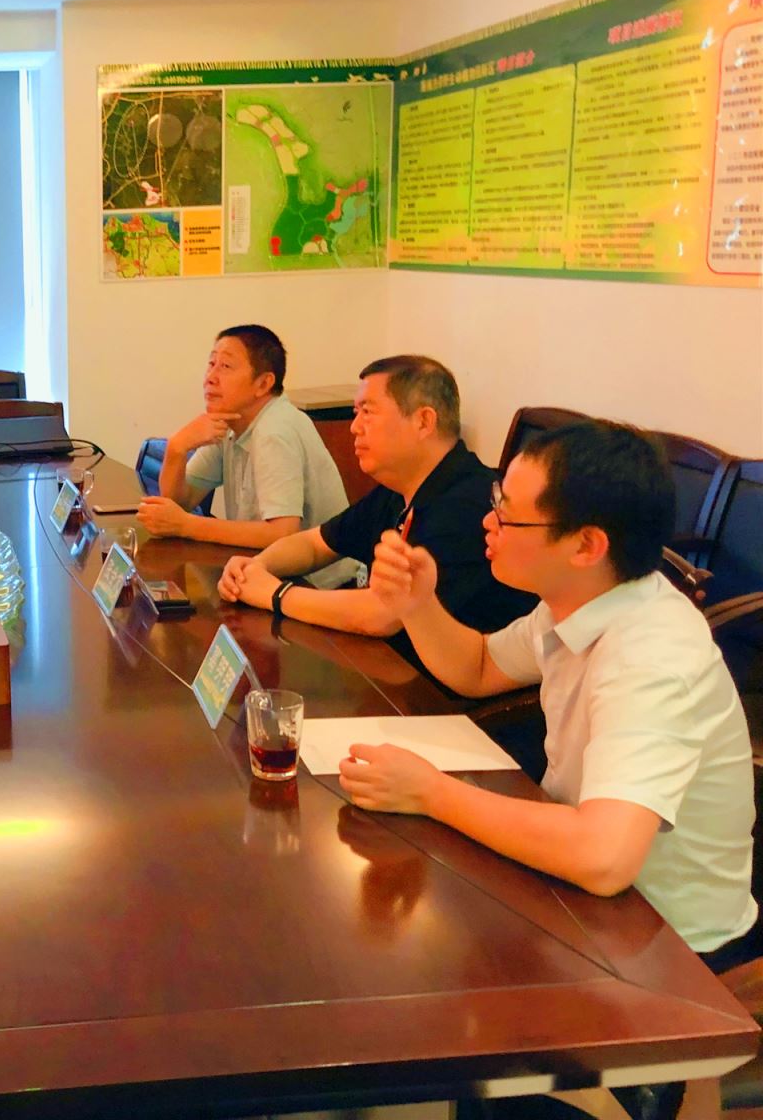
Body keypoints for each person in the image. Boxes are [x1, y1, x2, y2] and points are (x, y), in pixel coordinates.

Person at [344, 421, 757, 1120]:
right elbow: (477, 668)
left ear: (586, 545)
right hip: (583, 897)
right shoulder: (581, 600)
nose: (489, 521)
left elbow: (604, 858)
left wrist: (431, 792)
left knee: (423, 992)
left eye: (508, 512)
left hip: (664, 946)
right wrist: (418, 604)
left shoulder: (650, 656)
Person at [218, 355, 534, 679]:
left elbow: (383, 615)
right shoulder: (400, 488)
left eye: (367, 412)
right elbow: (315, 544)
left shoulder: (468, 504)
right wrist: (256, 568)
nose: (354, 427)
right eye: (356, 413)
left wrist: (275, 594)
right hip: (393, 669)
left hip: (443, 691)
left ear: (423, 422)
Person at [138, 324, 357, 588]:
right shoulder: (230, 423)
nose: (210, 378)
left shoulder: (274, 430)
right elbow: (179, 503)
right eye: (211, 364)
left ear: (263, 383)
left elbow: (282, 533)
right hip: (268, 573)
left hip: (319, 586)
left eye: (225, 366)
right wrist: (177, 448)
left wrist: (187, 526)